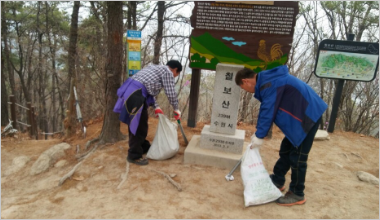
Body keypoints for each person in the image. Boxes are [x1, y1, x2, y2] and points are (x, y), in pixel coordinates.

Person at [235, 65, 328, 206]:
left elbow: (268, 110)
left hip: (308, 117)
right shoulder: (268, 81)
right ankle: (278, 180)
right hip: (300, 117)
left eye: (243, 88)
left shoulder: (269, 84)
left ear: (246, 81)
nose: (246, 91)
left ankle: (297, 193)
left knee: (298, 157)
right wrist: (260, 133)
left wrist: (260, 135)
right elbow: (269, 108)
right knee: (286, 149)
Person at [113, 60, 182, 166]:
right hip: (136, 94)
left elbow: (148, 88)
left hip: (132, 91)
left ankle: (143, 146)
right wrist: (176, 108)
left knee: (142, 123)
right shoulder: (168, 72)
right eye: (176, 75)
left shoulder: (154, 68)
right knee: (138, 126)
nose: (174, 77)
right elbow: (171, 92)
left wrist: (156, 107)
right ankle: (134, 155)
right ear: (175, 70)